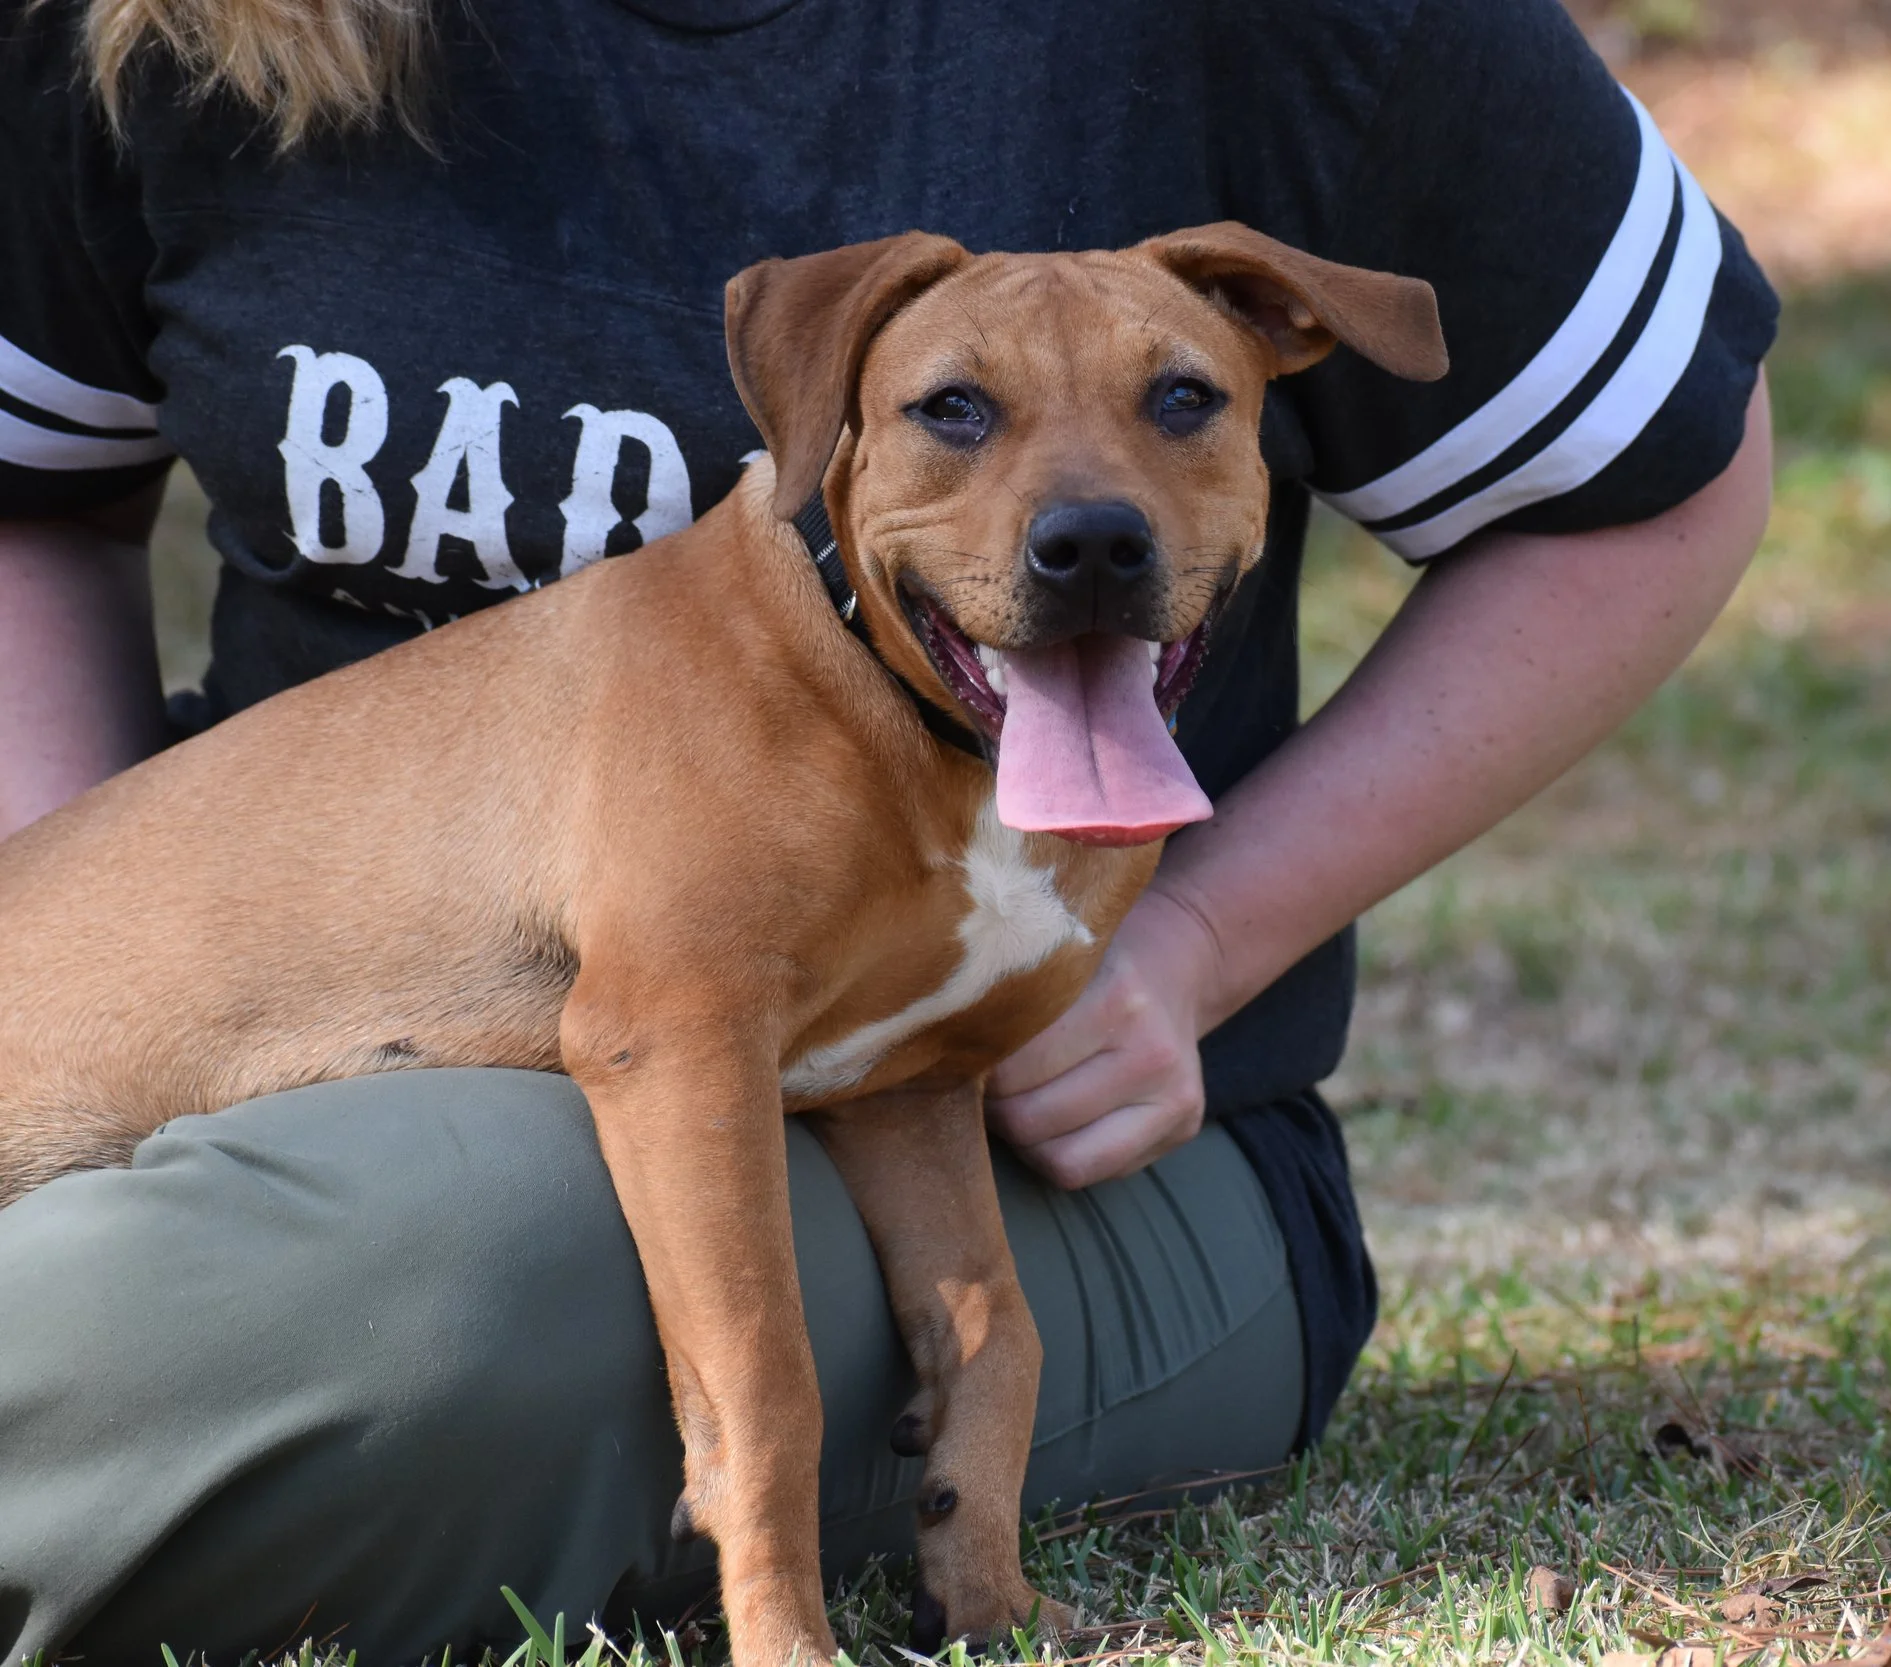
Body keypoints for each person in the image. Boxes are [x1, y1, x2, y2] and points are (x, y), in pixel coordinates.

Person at [0, 0, 1778, 1658]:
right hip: (250, 1066)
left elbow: (1648, 490)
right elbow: (34, 507)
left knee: (436, 1277)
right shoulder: (160, 34)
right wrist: (129, 908)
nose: (1082, 509)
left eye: (1179, 410)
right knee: (302, 1270)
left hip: (981, 1172)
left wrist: (1201, 937)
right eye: (954, 419)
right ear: (826, 431)